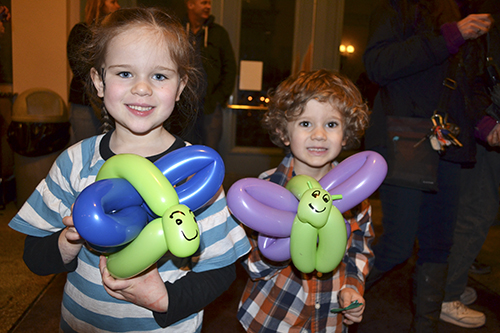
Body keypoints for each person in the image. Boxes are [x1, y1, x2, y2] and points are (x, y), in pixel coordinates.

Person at [9, 7, 250, 332]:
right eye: (125, 73)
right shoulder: (73, 162)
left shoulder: (198, 174)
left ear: (180, 87)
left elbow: (221, 268)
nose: (141, 88)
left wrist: (164, 298)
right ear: (98, 81)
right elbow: (34, 256)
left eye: (159, 76)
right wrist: (69, 239)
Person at [363, 0, 494, 331]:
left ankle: (426, 326)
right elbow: (378, 65)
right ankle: (332, 300)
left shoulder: (471, 11)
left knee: (439, 246)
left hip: (449, 140)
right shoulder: (401, 7)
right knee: (397, 247)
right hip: (406, 134)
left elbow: (471, 85)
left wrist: (482, 123)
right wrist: (449, 36)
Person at [237, 69, 374, 332]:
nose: (319, 134)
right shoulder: (265, 191)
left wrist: (353, 286)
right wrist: (288, 242)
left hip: (329, 321)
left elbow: (360, 245)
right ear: (283, 132)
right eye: (305, 123)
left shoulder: (354, 192)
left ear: (346, 134)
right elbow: (252, 263)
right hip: (275, 317)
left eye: (331, 124)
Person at [441, 0, 500, 328]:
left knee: (474, 212)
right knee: (475, 212)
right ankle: (446, 292)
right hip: (491, 122)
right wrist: (486, 121)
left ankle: (449, 287)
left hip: (488, 119)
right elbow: (473, 76)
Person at [183, 0, 237, 151]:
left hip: (210, 107)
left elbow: (230, 68)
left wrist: (219, 99)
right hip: (182, 107)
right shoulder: (178, 30)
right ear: (190, 4)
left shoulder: (219, 33)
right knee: (183, 151)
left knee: (210, 152)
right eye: (204, 2)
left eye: (209, 3)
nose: (208, 7)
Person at [67, 0, 120, 144]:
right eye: (113, 2)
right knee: (86, 155)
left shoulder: (115, 36)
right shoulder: (81, 31)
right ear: (100, 4)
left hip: (110, 107)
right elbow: (78, 68)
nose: (118, 6)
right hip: (85, 105)